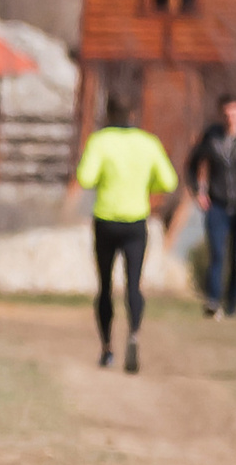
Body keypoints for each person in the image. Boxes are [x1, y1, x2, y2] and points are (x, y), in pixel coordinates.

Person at [67, 97, 178, 373]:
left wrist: (105, 179)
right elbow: (168, 181)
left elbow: (86, 178)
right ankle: (134, 334)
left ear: (108, 114)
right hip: (136, 221)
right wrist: (146, 186)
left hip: (106, 220)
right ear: (133, 115)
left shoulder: (100, 141)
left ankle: (107, 348)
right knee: (133, 285)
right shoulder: (148, 143)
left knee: (105, 286)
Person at [188, 94, 236, 318]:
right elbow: (193, 164)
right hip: (217, 205)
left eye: (234, 113)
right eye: (226, 113)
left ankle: (232, 304)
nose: (230, 117)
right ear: (220, 114)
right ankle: (213, 302)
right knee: (217, 253)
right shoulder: (211, 137)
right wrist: (197, 191)